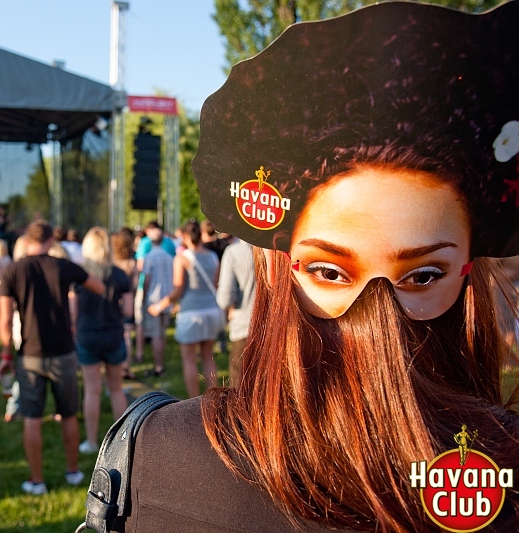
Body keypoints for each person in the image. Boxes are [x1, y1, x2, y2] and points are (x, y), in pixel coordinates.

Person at [123, 3, 519, 532]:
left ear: (469, 269)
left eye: (423, 275)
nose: (376, 321)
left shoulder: (162, 453)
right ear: (281, 268)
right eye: (330, 271)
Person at [0, 220, 105, 495]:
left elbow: (6, 321)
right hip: (63, 352)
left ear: (26, 239)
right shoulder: (62, 266)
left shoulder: (13, 270)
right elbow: (98, 287)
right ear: (49, 240)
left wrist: (6, 353)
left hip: (30, 353)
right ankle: (72, 471)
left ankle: (37, 480)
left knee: (32, 417)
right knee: (68, 414)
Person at [73, 227, 132, 454]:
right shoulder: (119, 274)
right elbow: (127, 310)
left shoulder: (80, 275)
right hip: (113, 334)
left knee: (92, 390)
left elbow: (73, 311)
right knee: (116, 389)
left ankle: (91, 440)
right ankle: (123, 440)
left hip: (88, 335)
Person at [148, 221, 223, 397]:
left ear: (186, 236)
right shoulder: (213, 257)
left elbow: (178, 289)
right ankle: (213, 400)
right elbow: (215, 285)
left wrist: (159, 306)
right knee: (208, 356)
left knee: (189, 360)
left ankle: (194, 402)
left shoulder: (181, 258)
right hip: (212, 310)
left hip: (191, 313)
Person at [215, 238, 256, 385]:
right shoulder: (277, 249)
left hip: (244, 324)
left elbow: (225, 296)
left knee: (240, 388)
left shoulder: (234, 252)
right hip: (275, 325)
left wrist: (229, 307)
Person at [136, 227, 174, 377]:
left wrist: (144, 296)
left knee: (156, 334)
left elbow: (146, 279)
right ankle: (161, 362)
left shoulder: (149, 257)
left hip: (153, 299)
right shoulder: (169, 257)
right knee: (162, 333)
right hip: (167, 298)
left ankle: (159, 365)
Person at [111, 229, 139, 378]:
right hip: (128, 300)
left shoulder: (111, 263)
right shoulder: (131, 263)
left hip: (113, 301)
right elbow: (134, 285)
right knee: (127, 335)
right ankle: (126, 367)